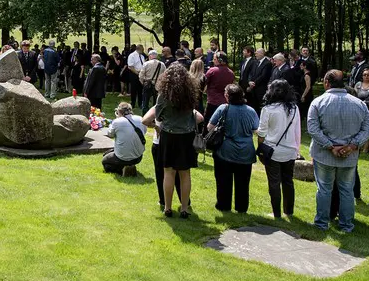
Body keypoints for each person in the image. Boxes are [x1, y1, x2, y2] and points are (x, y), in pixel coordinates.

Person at [307, 70, 369, 232]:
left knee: (324, 189)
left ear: (327, 83)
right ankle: (346, 225)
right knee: (346, 190)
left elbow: (313, 129)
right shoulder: (359, 104)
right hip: (348, 155)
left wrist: (330, 146)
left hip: (325, 154)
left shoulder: (318, 102)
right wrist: (352, 145)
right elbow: (367, 129)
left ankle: (322, 223)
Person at [149, 64, 200, 217]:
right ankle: (184, 208)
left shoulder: (163, 95)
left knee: (168, 173)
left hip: (169, 135)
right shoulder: (190, 94)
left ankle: (168, 208)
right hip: (187, 135)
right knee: (185, 173)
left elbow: (157, 116)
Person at [208, 85, 259, 214]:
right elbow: (256, 130)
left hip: (226, 150)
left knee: (223, 180)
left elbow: (210, 127)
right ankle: (241, 207)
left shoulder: (223, 108)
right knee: (243, 182)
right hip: (246, 151)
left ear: (227, 96)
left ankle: (223, 205)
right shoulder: (251, 111)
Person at [256, 80, 302, 219]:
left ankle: (276, 214)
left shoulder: (268, 110)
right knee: (288, 181)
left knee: (274, 182)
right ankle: (288, 211)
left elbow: (262, 133)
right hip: (290, 150)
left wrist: (260, 147)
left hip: (272, 150)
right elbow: (297, 131)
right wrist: (297, 149)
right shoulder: (294, 108)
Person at [102, 102, 145, 177]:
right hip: (138, 157)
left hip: (122, 157)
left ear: (119, 112)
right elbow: (144, 131)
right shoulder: (140, 119)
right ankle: (129, 167)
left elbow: (110, 134)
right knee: (108, 153)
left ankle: (122, 169)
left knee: (105, 162)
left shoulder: (117, 121)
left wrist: (115, 120)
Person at [203, 53, 234, 125]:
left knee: (208, 122)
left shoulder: (212, 71)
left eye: (214, 59)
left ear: (220, 60)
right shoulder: (231, 73)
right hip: (225, 102)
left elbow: (204, 82)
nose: (213, 61)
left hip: (212, 101)